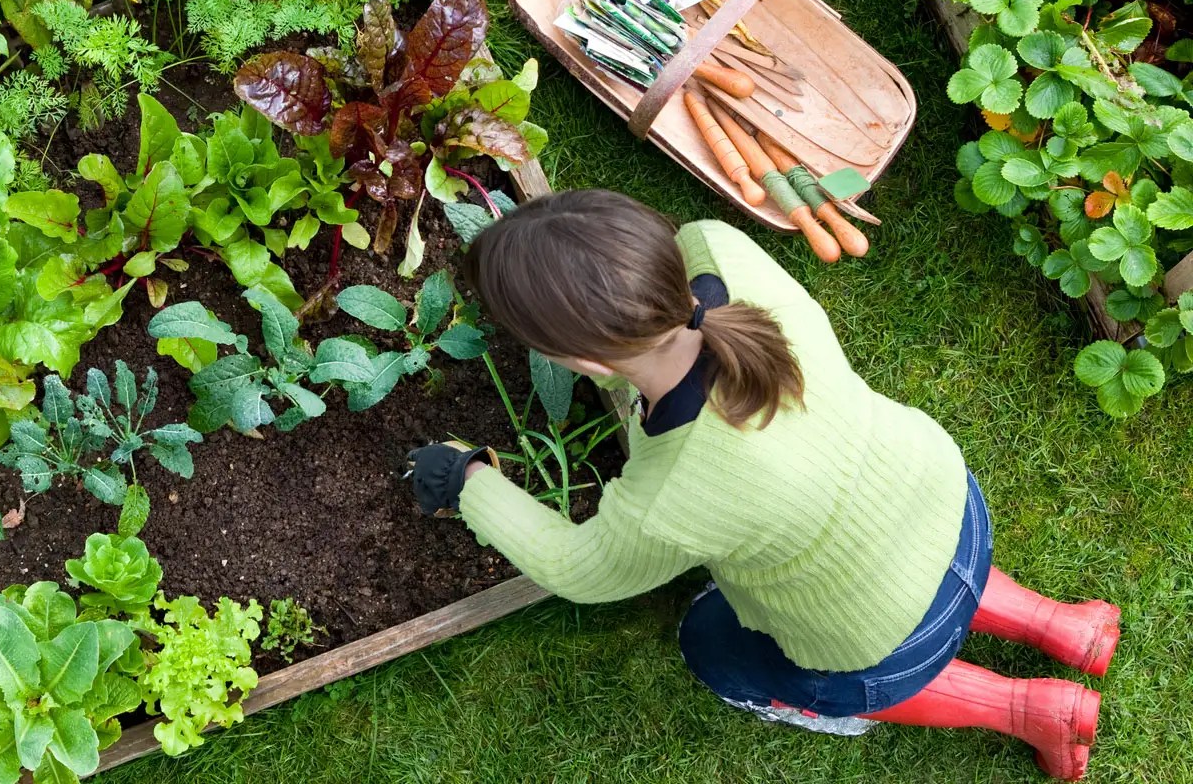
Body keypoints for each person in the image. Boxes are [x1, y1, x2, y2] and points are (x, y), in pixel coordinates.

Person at [407, 190, 1120, 780]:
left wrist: (467, 480)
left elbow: (578, 568)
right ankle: (1064, 626)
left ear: (584, 362)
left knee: (712, 646)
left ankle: (1030, 709)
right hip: (945, 500)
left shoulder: (672, 495)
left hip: (878, 637)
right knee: (900, 558)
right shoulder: (719, 249)